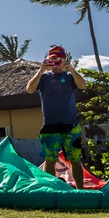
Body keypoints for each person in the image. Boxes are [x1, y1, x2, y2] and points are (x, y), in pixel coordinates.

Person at [25, 45, 88, 188]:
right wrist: (41, 70)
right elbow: (29, 89)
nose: (56, 64)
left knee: (75, 159)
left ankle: (80, 191)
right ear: (48, 60)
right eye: (52, 60)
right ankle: (51, 189)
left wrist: (70, 69)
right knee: (50, 159)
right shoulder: (44, 78)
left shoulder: (70, 76)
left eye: (59, 60)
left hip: (71, 125)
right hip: (50, 126)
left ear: (64, 60)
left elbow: (83, 86)